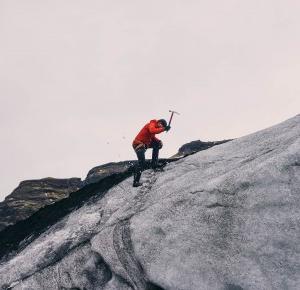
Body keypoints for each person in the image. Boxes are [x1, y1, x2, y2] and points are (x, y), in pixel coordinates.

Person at [132, 119, 171, 187]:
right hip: (138, 144)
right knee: (142, 163)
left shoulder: (155, 127)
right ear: (159, 122)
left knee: (157, 144)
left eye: (161, 127)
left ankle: (154, 164)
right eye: (160, 125)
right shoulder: (152, 124)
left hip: (145, 144)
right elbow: (152, 130)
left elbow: (152, 137)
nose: (160, 127)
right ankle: (136, 182)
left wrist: (159, 141)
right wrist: (164, 129)